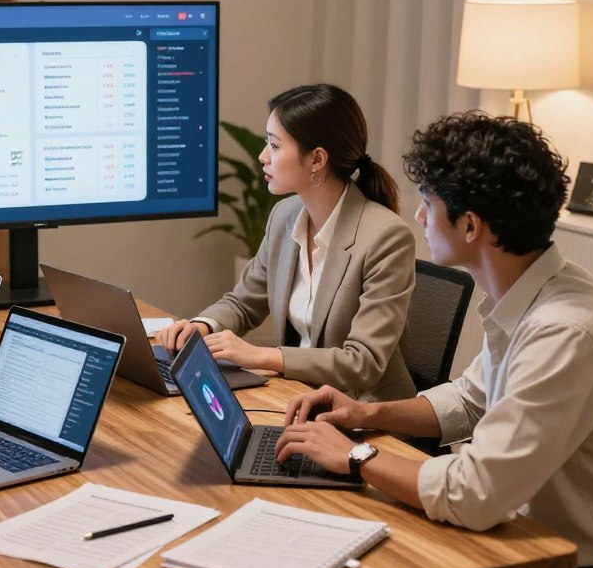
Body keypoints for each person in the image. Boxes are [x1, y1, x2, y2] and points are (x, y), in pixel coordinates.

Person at [275, 113, 593, 568]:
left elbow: (475, 493)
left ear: (470, 226)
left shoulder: (563, 332)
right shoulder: (532, 292)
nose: (418, 215)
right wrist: (364, 414)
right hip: (501, 541)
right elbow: (470, 400)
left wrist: (354, 455)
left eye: (428, 202)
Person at [159, 83, 416, 402]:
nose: (262, 156)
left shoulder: (386, 237)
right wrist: (202, 326)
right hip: (296, 395)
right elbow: (243, 302)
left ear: (317, 159)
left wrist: (260, 356)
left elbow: (362, 362)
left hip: (365, 412)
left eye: (275, 146)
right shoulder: (285, 215)